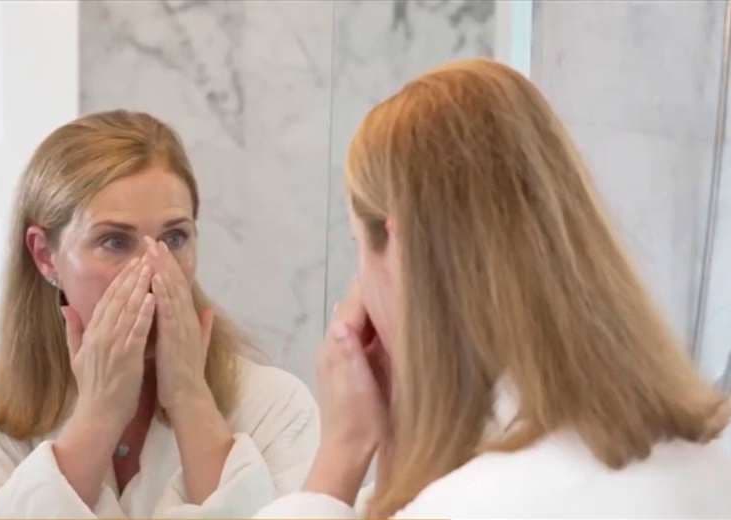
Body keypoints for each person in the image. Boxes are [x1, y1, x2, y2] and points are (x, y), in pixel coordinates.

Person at [256, 59, 731, 519]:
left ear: (400, 251)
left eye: (358, 246)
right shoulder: (709, 463)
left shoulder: (466, 505)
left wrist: (343, 450)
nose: (359, 288)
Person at [0, 110, 318, 518]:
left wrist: (190, 398)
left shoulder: (274, 407)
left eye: (175, 237)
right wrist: (99, 415)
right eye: (114, 241)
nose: (154, 270)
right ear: (45, 255)